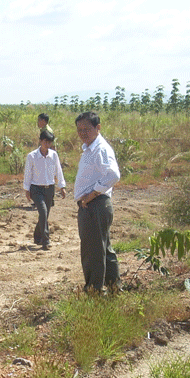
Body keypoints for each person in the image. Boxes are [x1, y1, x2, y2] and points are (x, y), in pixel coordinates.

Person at [74, 111, 121, 293]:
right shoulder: (90, 148)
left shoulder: (100, 148)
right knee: (103, 248)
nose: (83, 133)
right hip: (95, 205)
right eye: (79, 130)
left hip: (95, 205)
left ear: (98, 128)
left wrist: (92, 195)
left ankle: (94, 291)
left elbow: (113, 175)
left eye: (87, 129)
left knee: (92, 251)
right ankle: (113, 287)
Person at [23, 129, 67, 250]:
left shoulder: (53, 155)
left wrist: (61, 186)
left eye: (50, 142)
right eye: (45, 142)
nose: (47, 145)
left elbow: (58, 171)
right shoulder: (32, 156)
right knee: (42, 212)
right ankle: (45, 240)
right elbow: (28, 173)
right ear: (41, 141)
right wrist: (27, 190)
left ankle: (37, 237)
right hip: (36, 189)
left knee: (45, 214)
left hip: (49, 189)